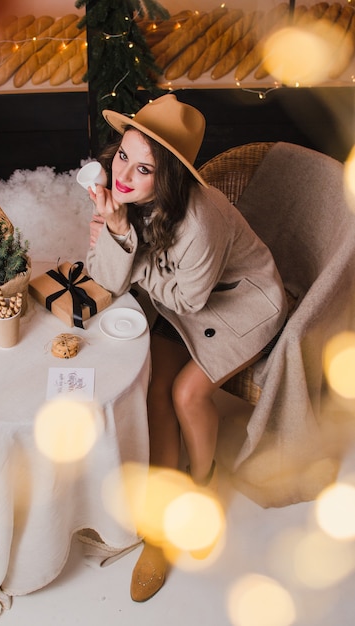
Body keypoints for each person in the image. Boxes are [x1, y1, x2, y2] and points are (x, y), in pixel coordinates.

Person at [85, 94, 288, 602]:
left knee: (186, 395)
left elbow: (190, 300)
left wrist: (124, 245)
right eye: (123, 156)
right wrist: (116, 231)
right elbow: (107, 280)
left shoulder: (202, 218)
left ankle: (202, 488)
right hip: (178, 300)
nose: (125, 174)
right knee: (154, 387)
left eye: (144, 167)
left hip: (240, 305)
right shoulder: (123, 197)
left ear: (169, 176)